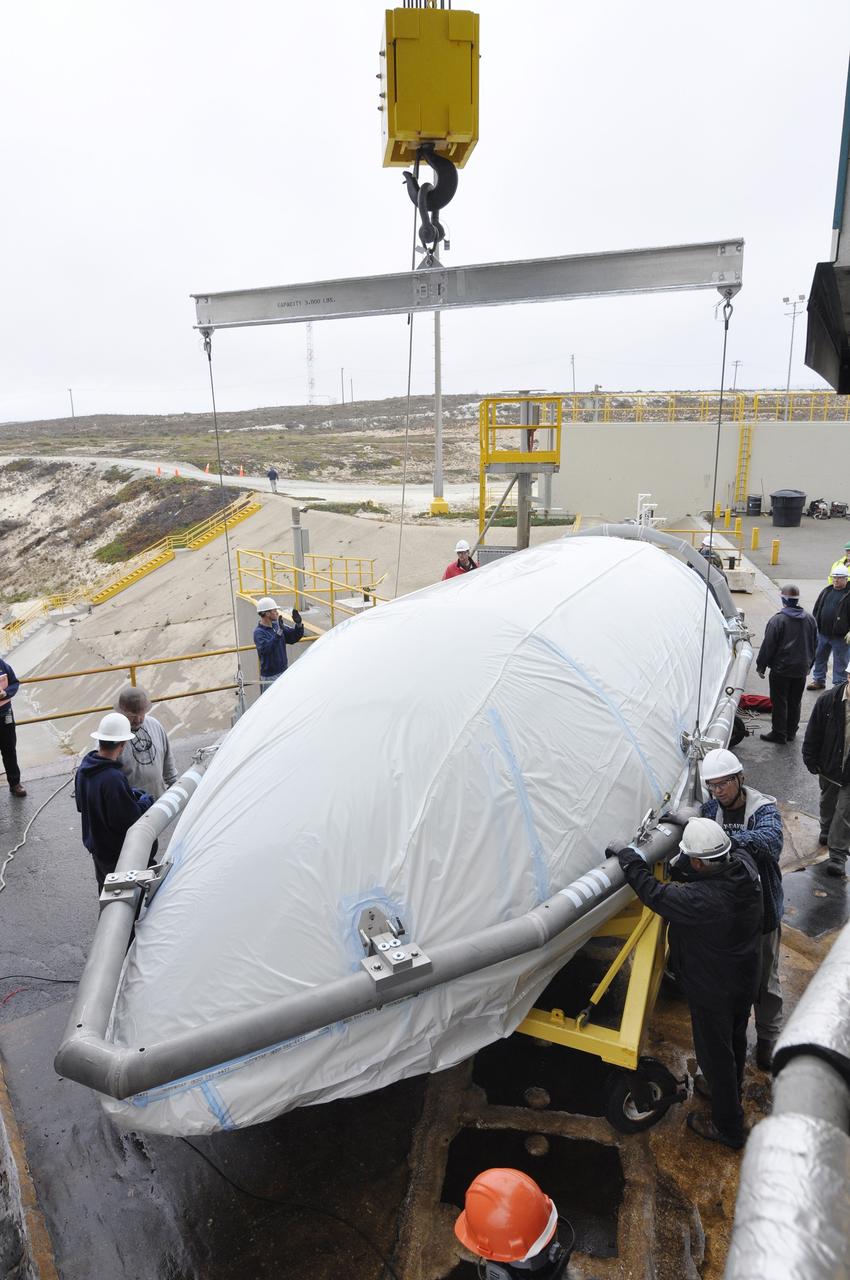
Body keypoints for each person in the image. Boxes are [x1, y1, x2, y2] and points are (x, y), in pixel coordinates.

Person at [616, 817, 762, 1149]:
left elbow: (653, 893)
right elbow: (731, 848)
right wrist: (694, 824)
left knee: (715, 1058)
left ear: (698, 862)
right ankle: (729, 1090)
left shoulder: (704, 900)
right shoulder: (744, 866)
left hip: (714, 990)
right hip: (744, 979)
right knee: (734, 1041)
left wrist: (629, 858)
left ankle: (729, 1128)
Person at [700, 748, 784, 1069]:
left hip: (762, 913)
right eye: (712, 785)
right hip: (728, 916)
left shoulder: (763, 810)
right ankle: (734, 1040)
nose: (718, 791)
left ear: (740, 778)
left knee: (765, 982)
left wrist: (723, 844)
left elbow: (770, 841)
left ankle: (767, 1039)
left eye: (724, 783)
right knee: (730, 980)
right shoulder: (710, 810)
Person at [74, 712, 154, 891]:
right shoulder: (113, 778)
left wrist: (126, 795)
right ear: (123, 744)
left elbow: (81, 805)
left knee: (106, 892)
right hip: (117, 852)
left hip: (98, 850)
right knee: (126, 896)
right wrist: (145, 802)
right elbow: (127, 819)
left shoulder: (84, 769)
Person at [802, 665, 850, 878]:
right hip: (830, 766)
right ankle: (826, 828)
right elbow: (813, 730)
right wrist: (810, 758)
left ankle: (838, 854)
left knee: (845, 812)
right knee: (827, 802)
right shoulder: (828, 700)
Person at [755, 584, 817, 743]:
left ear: (783, 599)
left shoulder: (778, 620)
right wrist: (809, 665)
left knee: (780, 701)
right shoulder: (810, 619)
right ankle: (790, 732)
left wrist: (761, 666)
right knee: (795, 701)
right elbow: (815, 644)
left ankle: (779, 733)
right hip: (801, 669)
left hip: (781, 670)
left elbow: (768, 645)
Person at [116, 684, 178, 800]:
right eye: (132, 716)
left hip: (159, 798)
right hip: (133, 805)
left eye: (141, 714)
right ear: (122, 713)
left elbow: (167, 757)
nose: (138, 720)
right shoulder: (114, 734)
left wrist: (173, 783)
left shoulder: (154, 725)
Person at [808, 565, 850, 690]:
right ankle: (818, 680)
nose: (836, 580)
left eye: (839, 578)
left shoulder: (848, 594)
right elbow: (817, 609)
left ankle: (839, 685)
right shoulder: (826, 591)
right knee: (819, 657)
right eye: (834, 577)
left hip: (841, 636)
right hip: (822, 633)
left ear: (846, 579)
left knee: (840, 661)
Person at [254, 596, 304, 693]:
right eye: (274, 610)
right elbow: (266, 650)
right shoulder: (259, 633)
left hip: (284, 671)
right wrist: (279, 633)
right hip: (270, 677)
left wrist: (298, 624)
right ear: (266, 613)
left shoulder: (277, 626)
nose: (277, 612)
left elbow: (293, 637)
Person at [0, 657, 26, 797]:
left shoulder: (2, 665)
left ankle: (15, 783)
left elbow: (14, 683)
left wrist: (6, 693)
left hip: (5, 715)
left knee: (9, 749)